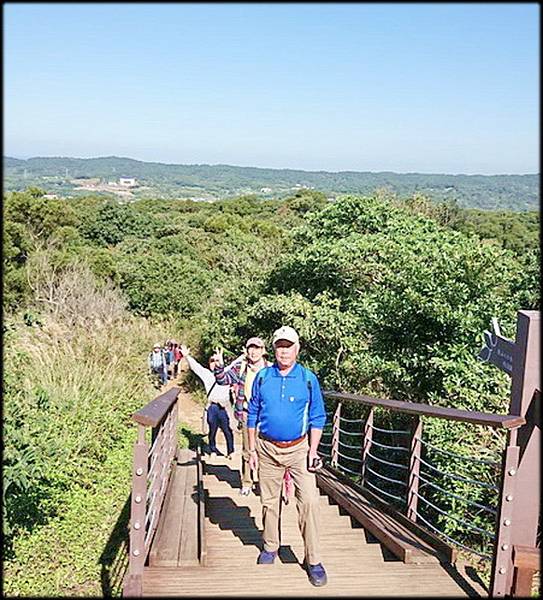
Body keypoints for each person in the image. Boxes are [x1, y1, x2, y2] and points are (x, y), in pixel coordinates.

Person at [247, 325, 327, 587]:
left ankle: (313, 559)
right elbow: (252, 415)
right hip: (267, 448)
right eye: (280, 346)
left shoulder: (307, 378)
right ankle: (271, 546)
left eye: (289, 346)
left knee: (310, 503)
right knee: (269, 502)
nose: (284, 351)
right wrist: (251, 451)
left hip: (299, 449)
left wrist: (313, 451)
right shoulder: (263, 377)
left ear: (297, 349)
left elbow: (317, 416)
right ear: (274, 349)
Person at [212, 337, 272, 496]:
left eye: (257, 348)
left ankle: (263, 483)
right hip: (247, 413)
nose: (253, 351)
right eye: (250, 348)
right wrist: (219, 366)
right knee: (248, 449)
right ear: (246, 350)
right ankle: (247, 482)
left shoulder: (271, 369)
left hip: (267, 415)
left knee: (266, 451)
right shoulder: (241, 367)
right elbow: (223, 380)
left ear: (263, 351)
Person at [180, 344, 235, 457]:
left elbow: (235, 363)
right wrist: (187, 356)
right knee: (212, 429)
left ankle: (231, 451)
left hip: (224, 406)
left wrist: (245, 355)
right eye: (212, 360)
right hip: (212, 406)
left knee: (227, 430)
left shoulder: (226, 372)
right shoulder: (207, 374)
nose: (214, 362)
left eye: (217, 360)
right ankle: (213, 449)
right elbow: (196, 367)